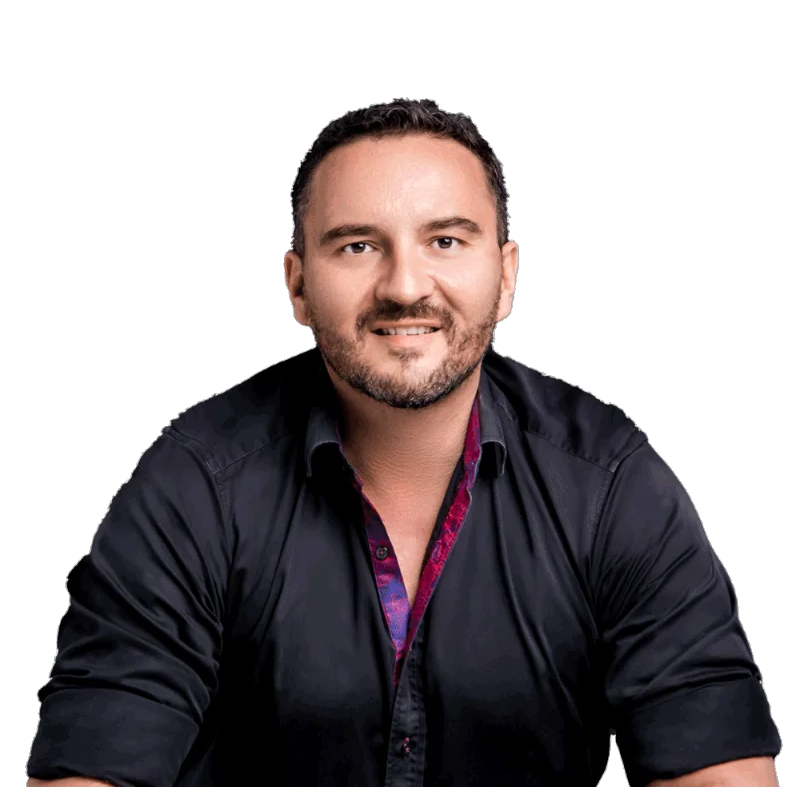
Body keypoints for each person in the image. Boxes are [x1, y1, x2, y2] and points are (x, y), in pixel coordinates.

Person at [28, 99, 780, 786]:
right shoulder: (196, 486)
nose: (404, 285)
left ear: (507, 273)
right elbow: (93, 771)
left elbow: (717, 770)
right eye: (358, 247)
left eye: (446, 240)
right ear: (296, 285)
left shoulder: (610, 484)